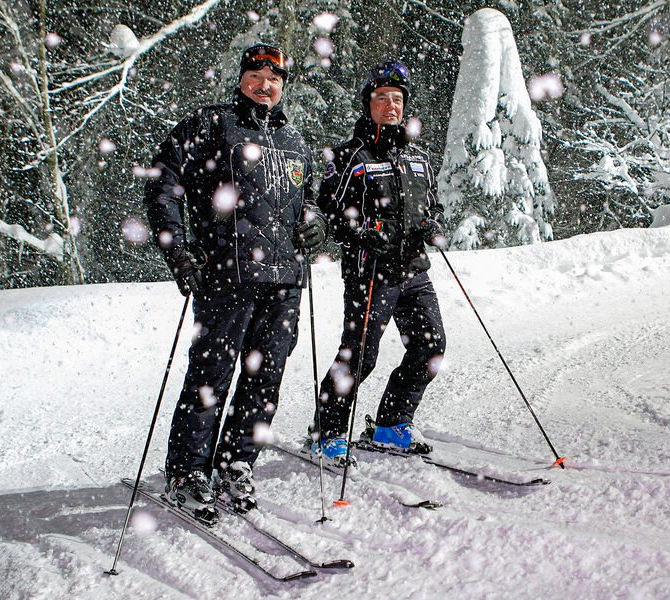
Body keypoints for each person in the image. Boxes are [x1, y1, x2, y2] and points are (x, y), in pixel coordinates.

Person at [144, 43, 325, 525]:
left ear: (283, 85)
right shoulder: (210, 125)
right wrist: (178, 251)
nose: (266, 84)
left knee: (265, 380)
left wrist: (316, 223)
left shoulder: (294, 141)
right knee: (211, 378)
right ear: (242, 78)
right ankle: (186, 473)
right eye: (256, 74)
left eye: (275, 78)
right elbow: (163, 182)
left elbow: (310, 201)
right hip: (226, 275)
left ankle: (235, 463)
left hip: (285, 281)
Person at [308, 59, 447, 466]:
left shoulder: (419, 156)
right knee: (359, 356)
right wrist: (364, 229)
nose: (390, 106)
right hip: (371, 272)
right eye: (382, 98)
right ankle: (327, 431)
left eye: (397, 99)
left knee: (431, 346)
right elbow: (327, 210)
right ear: (368, 104)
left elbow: (434, 204)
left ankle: (391, 423)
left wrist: (432, 223)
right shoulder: (351, 156)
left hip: (413, 270)